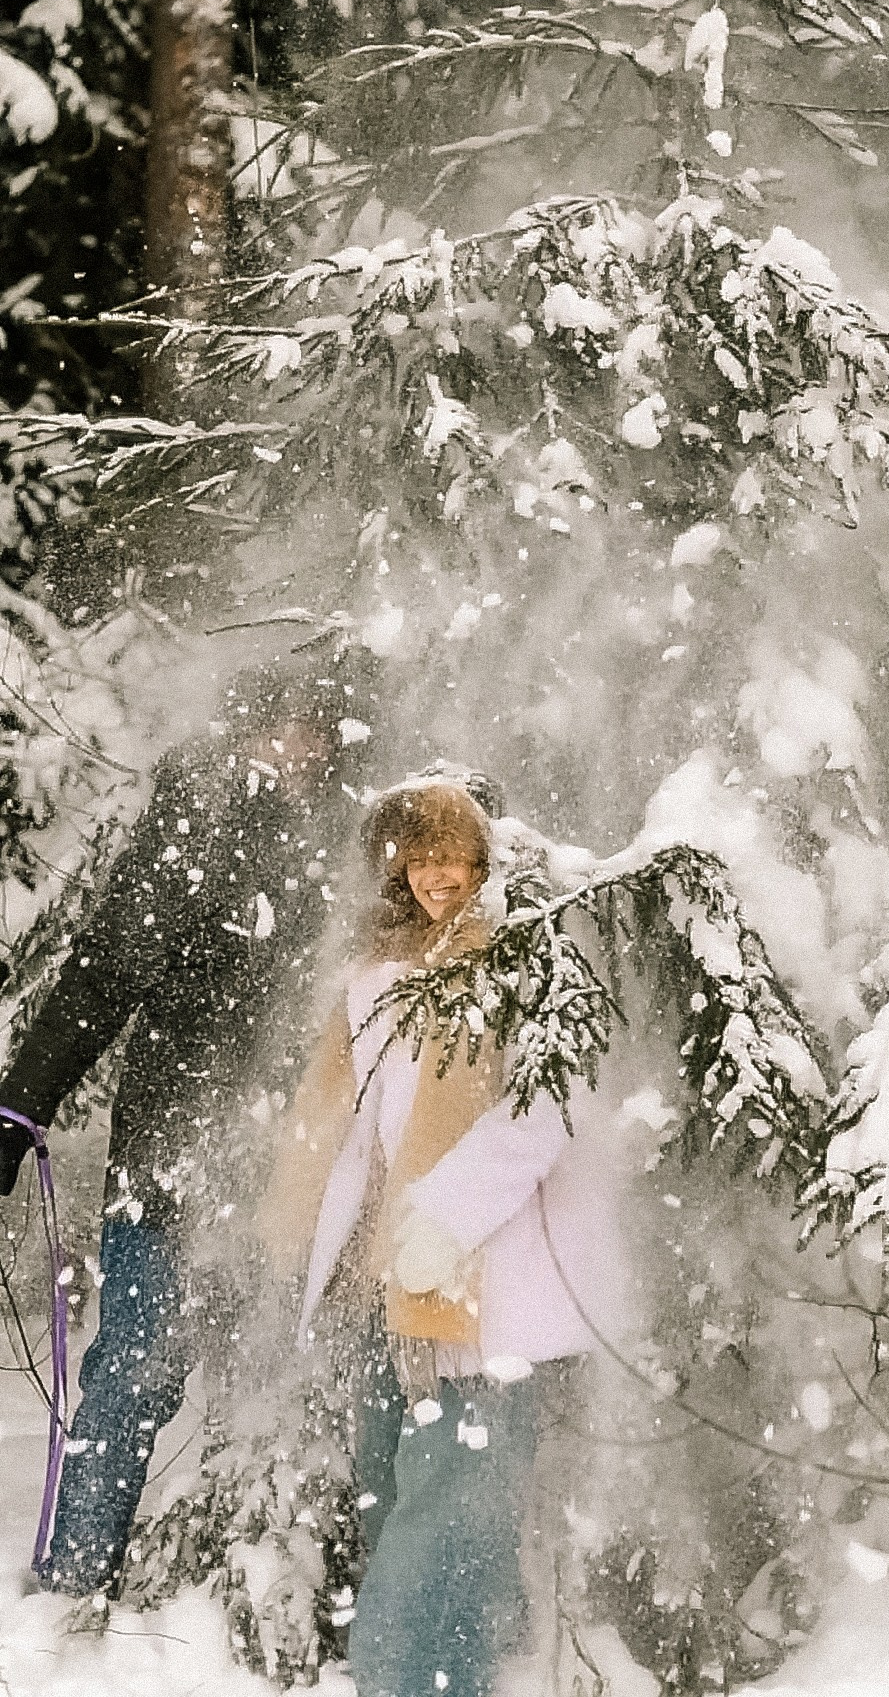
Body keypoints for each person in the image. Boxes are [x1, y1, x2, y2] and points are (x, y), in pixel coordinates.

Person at [0, 662, 362, 1614]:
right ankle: (77, 1583)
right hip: (173, 1153)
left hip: (292, 1168)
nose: (304, 751)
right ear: (249, 730)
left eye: (320, 734)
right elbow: (102, 977)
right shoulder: (197, 821)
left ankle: (243, 1589)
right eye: (288, 729)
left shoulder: (345, 838)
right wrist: (20, 1106)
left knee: (271, 1376)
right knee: (135, 1372)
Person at [260, 777, 624, 1697]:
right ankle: (465, 1662)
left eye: (454, 854)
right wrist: (317, 1236)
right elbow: (353, 1127)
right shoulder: (378, 973)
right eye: (419, 856)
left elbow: (552, 1111)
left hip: (477, 1281)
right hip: (388, 1283)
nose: (437, 876)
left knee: (452, 1496)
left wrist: (446, 1219)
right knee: (395, 1483)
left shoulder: (526, 961)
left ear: (485, 859)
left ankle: (411, 1678)